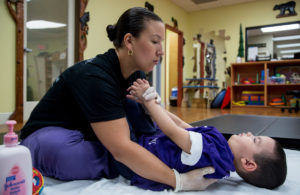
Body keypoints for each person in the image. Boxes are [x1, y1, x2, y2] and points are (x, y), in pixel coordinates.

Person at [19, 7, 216, 192]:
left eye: (161, 42)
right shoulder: (95, 77)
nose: (161, 50)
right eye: (155, 41)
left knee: (139, 116)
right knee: (89, 157)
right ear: (129, 41)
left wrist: (204, 140)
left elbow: (159, 116)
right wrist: (179, 181)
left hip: (87, 127)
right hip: (45, 137)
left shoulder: (136, 74)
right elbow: (122, 149)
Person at [126, 78, 287, 191]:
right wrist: (155, 106)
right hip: (146, 143)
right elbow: (182, 125)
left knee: (125, 106)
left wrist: (149, 101)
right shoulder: (219, 157)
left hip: (137, 155)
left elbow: (173, 131)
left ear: (248, 164)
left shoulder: (213, 151)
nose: (250, 133)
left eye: (254, 140)